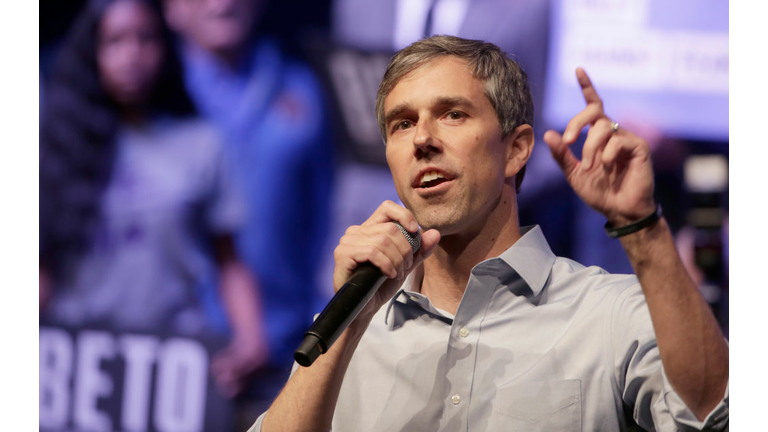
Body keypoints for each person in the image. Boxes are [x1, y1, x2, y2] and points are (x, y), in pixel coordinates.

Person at [249, 36, 729, 431]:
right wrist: (351, 322)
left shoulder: (610, 314)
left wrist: (642, 229)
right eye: (402, 123)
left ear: (517, 150)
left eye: (453, 114)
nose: (422, 139)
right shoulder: (349, 328)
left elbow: (717, 417)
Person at [39, 0, 268, 398]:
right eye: (114, 41)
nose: (132, 56)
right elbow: (41, 268)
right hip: (73, 364)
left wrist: (250, 337)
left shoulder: (200, 144)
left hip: (170, 362)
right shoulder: (56, 148)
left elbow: (228, 259)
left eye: (145, 39)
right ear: (90, 51)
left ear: (165, 48)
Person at [162, 0, 335, 407]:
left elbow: (329, 212)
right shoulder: (153, 95)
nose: (222, 3)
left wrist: (323, 324)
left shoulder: (302, 88)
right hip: (172, 346)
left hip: (291, 345)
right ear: (170, 8)